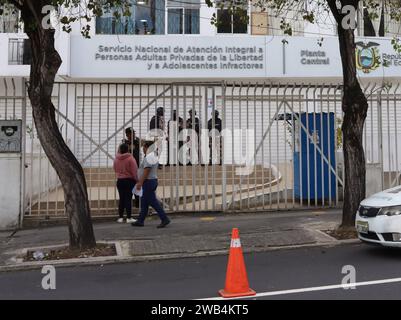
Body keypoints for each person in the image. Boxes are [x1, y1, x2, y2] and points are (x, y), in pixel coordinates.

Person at [131, 140, 171, 228]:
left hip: (148, 182)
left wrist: (140, 182)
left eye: (144, 147)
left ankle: (164, 219)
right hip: (150, 181)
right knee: (144, 202)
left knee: (153, 202)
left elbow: (147, 170)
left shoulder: (149, 157)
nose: (143, 150)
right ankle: (140, 220)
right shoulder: (152, 156)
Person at [113, 143, 138, 224]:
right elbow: (134, 171)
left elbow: (115, 169)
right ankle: (129, 217)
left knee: (122, 199)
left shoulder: (116, 159)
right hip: (129, 181)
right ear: (128, 149)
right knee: (128, 199)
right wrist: (136, 180)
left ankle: (120, 217)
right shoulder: (131, 158)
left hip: (120, 181)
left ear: (120, 149)